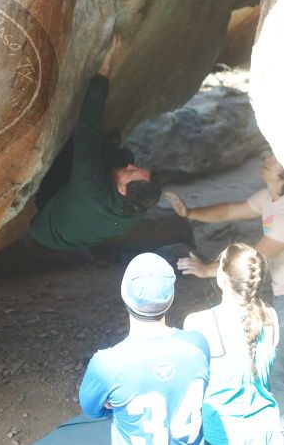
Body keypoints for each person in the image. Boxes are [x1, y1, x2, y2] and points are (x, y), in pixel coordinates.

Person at [165, 154, 284, 407]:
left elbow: (258, 255)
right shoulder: (268, 198)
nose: (267, 158)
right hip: (281, 290)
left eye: (275, 158)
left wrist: (211, 270)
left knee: (278, 370)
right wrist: (189, 212)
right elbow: (229, 210)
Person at [28, 34, 161, 249]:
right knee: (123, 155)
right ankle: (107, 152)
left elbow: (87, 126)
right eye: (135, 169)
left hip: (45, 221)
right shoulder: (137, 208)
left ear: (123, 190)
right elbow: (124, 167)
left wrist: (106, 65)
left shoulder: (90, 187)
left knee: (86, 148)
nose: (129, 167)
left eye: (130, 173)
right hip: (76, 223)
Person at [79, 253, 210, 444]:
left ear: (124, 295)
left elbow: (93, 409)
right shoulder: (197, 344)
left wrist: (118, 400)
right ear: (171, 297)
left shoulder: (107, 365)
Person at [183, 243, 282, 444]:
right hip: (267, 430)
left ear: (221, 278)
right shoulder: (271, 317)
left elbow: (189, 386)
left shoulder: (198, 322)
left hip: (222, 434)